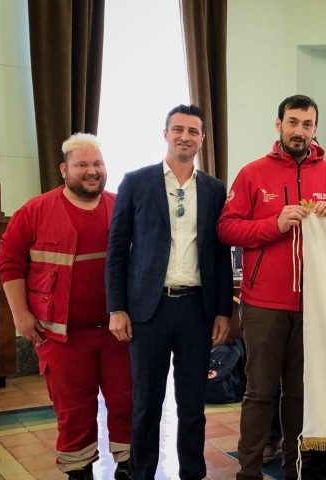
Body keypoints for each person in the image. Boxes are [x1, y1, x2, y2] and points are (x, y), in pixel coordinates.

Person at [217, 94, 326, 480]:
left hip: (316, 303)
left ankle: (294, 471)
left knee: (300, 396)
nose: (300, 131)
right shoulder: (253, 173)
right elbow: (227, 228)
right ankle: (247, 473)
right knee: (260, 393)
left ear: (315, 129)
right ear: (278, 124)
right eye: (293, 122)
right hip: (264, 303)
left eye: (307, 124)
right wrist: (274, 224)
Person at [105, 104, 233, 480]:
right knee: (145, 403)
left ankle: (192, 473)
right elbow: (117, 249)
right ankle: (142, 473)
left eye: (193, 131)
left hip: (196, 310)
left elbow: (218, 252)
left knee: (192, 404)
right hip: (149, 310)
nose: (185, 137)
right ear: (165, 134)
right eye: (178, 129)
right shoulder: (136, 182)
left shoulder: (213, 189)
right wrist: (117, 307)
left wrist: (223, 311)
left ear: (202, 139)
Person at [0, 133, 132, 480]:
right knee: (73, 412)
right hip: (61, 337)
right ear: (64, 170)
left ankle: (130, 466)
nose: (92, 171)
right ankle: (78, 471)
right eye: (82, 165)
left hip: (120, 333)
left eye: (97, 164)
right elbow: (9, 263)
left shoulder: (122, 207)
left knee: (128, 404)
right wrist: (21, 315)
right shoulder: (35, 211)